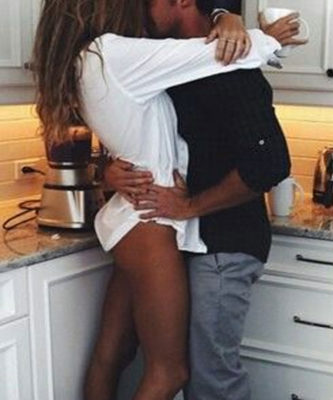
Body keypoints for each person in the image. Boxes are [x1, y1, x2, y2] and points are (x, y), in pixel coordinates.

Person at [31, 0, 300, 399]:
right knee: (169, 372)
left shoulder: (93, 58)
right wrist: (268, 38)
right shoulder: (114, 52)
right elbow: (215, 54)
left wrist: (224, 16)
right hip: (150, 220)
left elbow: (265, 160)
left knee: (113, 355)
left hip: (147, 219)